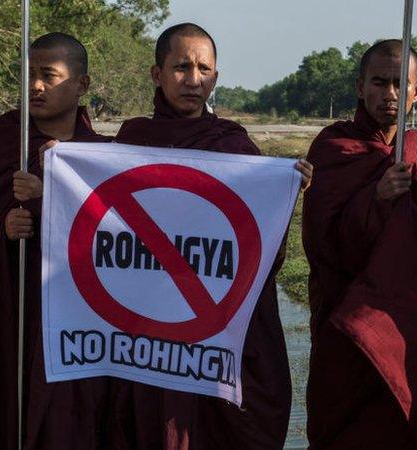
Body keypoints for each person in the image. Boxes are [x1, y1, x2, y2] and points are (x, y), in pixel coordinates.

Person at [109, 22, 310, 450]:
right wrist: (58, 168)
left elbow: (259, 250)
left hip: (217, 325)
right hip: (150, 326)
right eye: (181, 67)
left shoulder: (233, 147)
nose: (193, 80)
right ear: (156, 74)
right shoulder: (131, 142)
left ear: (216, 78)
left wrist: (285, 192)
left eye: (204, 69)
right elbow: (100, 236)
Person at [0, 32, 115, 449]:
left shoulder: (102, 155)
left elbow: (124, 237)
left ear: (81, 85)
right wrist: (1, 226)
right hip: (9, 312)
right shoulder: (4, 138)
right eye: (29, 75)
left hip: (76, 323)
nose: (35, 86)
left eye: (49, 75)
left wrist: (50, 194)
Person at [301, 39, 417, 450]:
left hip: (408, 327)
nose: (390, 94)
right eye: (380, 82)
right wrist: (376, 199)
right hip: (348, 328)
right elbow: (320, 242)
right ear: (359, 86)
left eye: (402, 84)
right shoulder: (334, 147)